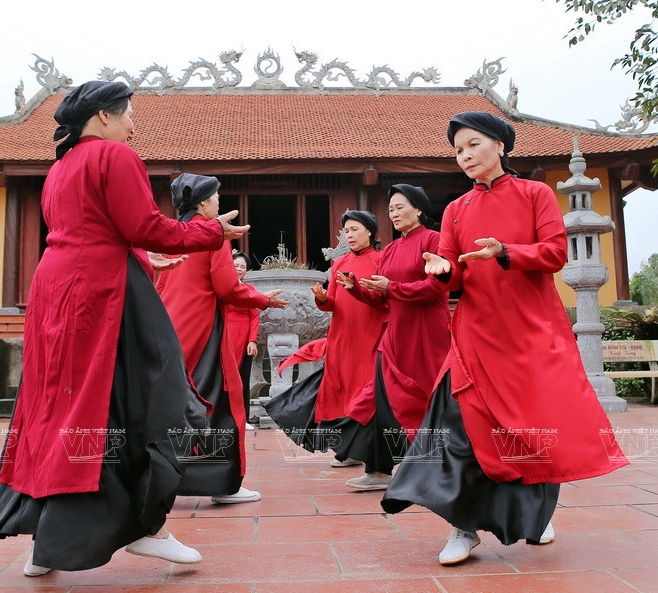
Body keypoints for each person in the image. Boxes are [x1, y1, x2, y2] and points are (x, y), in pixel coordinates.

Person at [0, 81, 251, 575]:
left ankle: (50, 538)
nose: (132, 125)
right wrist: (213, 231)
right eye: (127, 116)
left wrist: (144, 260)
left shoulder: (59, 168)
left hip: (56, 289)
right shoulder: (115, 157)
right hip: (103, 293)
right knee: (144, 400)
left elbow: (95, 231)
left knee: (59, 405)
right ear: (102, 116)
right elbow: (144, 225)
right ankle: (147, 527)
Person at [381, 111, 629, 565]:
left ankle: (535, 514)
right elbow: (451, 269)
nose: (465, 156)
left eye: (473, 144)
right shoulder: (457, 209)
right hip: (476, 333)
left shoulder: (536, 193)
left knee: (535, 427)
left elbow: (555, 253)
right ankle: (463, 528)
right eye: (458, 150)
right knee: (461, 429)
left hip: (531, 331)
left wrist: (506, 251)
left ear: (500, 145)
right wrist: (442, 268)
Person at [156, 173, 288, 504]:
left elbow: (158, 285)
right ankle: (222, 484)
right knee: (222, 403)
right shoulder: (213, 236)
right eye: (216, 198)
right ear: (203, 203)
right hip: (203, 332)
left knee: (171, 407)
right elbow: (228, 287)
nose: (219, 204)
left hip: (168, 333)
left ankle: (164, 479)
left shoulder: (169, 235)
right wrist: (263, 299)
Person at [328, 188, 450, 490]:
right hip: (394, 332)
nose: (393, 213)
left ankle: (438, 464)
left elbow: (436, 288)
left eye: (400, 207)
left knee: (427, 399)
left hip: (425, 333)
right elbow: (379, 299)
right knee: (379, 400)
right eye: (391, 209)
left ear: (419, 210)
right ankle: (379, 470)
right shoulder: (393, 249)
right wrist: (355, 289)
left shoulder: (433, 241)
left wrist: (392, 287)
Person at [262, 211, 388, 468]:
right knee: (341, 392)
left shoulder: (382, 260)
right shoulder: (339, 263)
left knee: (363, 393)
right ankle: (349, 450)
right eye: (347, 231)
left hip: (370, 335)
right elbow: (332, 305)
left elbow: (382, 299)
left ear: (370, 232)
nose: (350, 235)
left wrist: (357, 289)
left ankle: (364, 451)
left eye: (355, 229)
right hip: (342, 337)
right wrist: (321, 298)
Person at [225, 251, 261, 431]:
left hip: (244, 337)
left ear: (246, 271)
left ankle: (243, 418)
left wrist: (252, 340)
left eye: (242, 267)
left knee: (242, 379)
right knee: (223, 378)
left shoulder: (250, 291)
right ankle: (223, 417)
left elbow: (254, 317)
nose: (238, 269)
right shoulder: (222, 288)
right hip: (225, 336)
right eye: (236, 265)